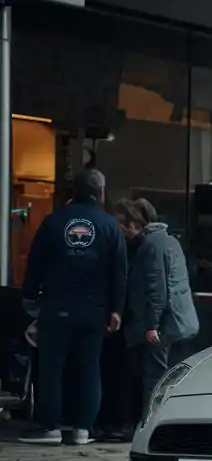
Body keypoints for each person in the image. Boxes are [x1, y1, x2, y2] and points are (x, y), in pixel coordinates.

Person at [19, 168, 127, 445]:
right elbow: (119, 271)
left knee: (51, 368)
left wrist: (30, 297)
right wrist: (116, 308)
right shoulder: (109, 225)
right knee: (89, 368)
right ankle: (82, 429)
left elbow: (35, 264)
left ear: (73, 190)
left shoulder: (54, 222)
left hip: (57, 307)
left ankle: (50, 428)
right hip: (94, 310)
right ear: (101, 192)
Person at [115, 199, 199, 416]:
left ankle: (151, 421)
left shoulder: (151, 245)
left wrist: (151, 325)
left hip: (164, 325)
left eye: (121, 225)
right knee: (168, 376)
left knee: (155, 376)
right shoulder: (167, 240)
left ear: (133, 223)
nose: (120, 231)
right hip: (177, 321)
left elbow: (157, 289)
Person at [96, 198, 157, 442]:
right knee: (123, 374)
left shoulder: (140, 247)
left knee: (123, 374)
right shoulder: (139, 245)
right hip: (127, 318)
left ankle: (119, 421)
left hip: (128, 320)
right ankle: (118, 421)